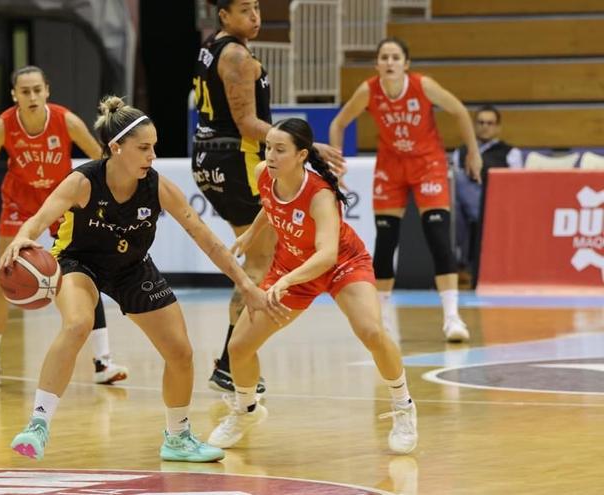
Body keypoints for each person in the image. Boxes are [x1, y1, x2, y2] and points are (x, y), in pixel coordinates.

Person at [0, 96, 284, 462]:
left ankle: (178, 436)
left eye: (154, 148)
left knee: (180, 351)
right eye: (144, 148)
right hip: (78, 262)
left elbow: (207, 239)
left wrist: (246, 284)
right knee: (78, 324)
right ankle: (38, 424)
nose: (152, 156)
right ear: (116, 148)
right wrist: (24, 236)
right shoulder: (83, 181)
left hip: (132, 267)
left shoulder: (157, 186)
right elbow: (40, 219)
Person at [207, 118, 418, 455]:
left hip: (340, 266)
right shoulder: (265, 172)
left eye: (280, 149)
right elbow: (270, 205)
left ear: (302, 154)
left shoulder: (320, 195)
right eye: (268, 148)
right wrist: (251, 234)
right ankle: (246, 410)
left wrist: (287, 280)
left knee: (372, 332)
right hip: (291, 266)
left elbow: (327, 255)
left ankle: (404, 406)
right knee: (239, 347)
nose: (270, 155)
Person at [193, 0, 345, 394]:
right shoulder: (239, 57)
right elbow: (246, 122)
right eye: (245, 9)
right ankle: (231, 364)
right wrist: (304, 146)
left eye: (257, 7)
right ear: (223, 15)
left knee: (258, 256)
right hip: (233, 157)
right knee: (260, 261)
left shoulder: (212, 46)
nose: (255, 16)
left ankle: (229, 361)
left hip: (210, 156)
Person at [0, 66, 128, 387]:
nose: (32, 97)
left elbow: (101, 157)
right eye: (25, 91)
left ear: (47, 90)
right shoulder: (3, 126)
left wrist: (100, 200)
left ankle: (103, 362)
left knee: (85, 277)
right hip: (19, 202)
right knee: (4, 278)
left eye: (37, 90)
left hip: (60, 201)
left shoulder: (65, 120)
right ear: (14, 95)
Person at [329, 37, 481, 343]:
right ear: (377, 64)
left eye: (395, 57)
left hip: (428, 164)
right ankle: (381, 319)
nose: (389, 62)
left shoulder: (423, 85)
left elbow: (460, 111)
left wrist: (473, 152)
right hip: (391, 167)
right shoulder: (369, 90)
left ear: (406, 64)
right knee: (385, 242)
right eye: (384, 57)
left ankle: (452, 318)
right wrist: (336, 164)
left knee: (438, 237)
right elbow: (338, 124)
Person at [451, 105, 522, 287]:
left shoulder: (510, 153)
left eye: (490, 123)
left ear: (498, 127)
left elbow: (517, 185)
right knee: (455, 197)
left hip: (495, 202)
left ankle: (461, 264)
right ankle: (460, 264)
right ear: (475, 125)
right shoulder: (461, 152)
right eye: (481, 122)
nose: (485, 127)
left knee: (458, 179)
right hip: (463, 205)